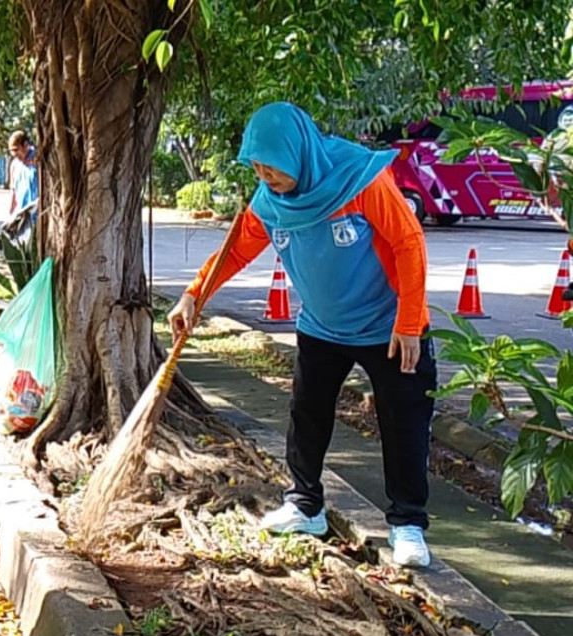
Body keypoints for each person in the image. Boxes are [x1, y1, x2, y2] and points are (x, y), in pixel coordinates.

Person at [166, 101, 435, 569]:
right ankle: (305, 505)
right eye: (257, 167)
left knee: (403, 423)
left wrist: (409, 322)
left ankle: (407, 525)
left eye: (273, 166)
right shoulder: (269, 203)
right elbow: (234, 254)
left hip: (388, 326)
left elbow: (409, 242)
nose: (265, 176)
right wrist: (194, 295)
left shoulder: (360, 179)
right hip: (323, 327)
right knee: (307, 414)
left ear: (299, 154)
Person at [7, 130, 38, 219]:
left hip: (37, 213)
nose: (14, 154)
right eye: (12, 151)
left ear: (25, 145)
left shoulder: (37, 159)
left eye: (16, 150)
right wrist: (11, 212)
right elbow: (13, 190)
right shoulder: (14, 165)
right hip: (22, 213)